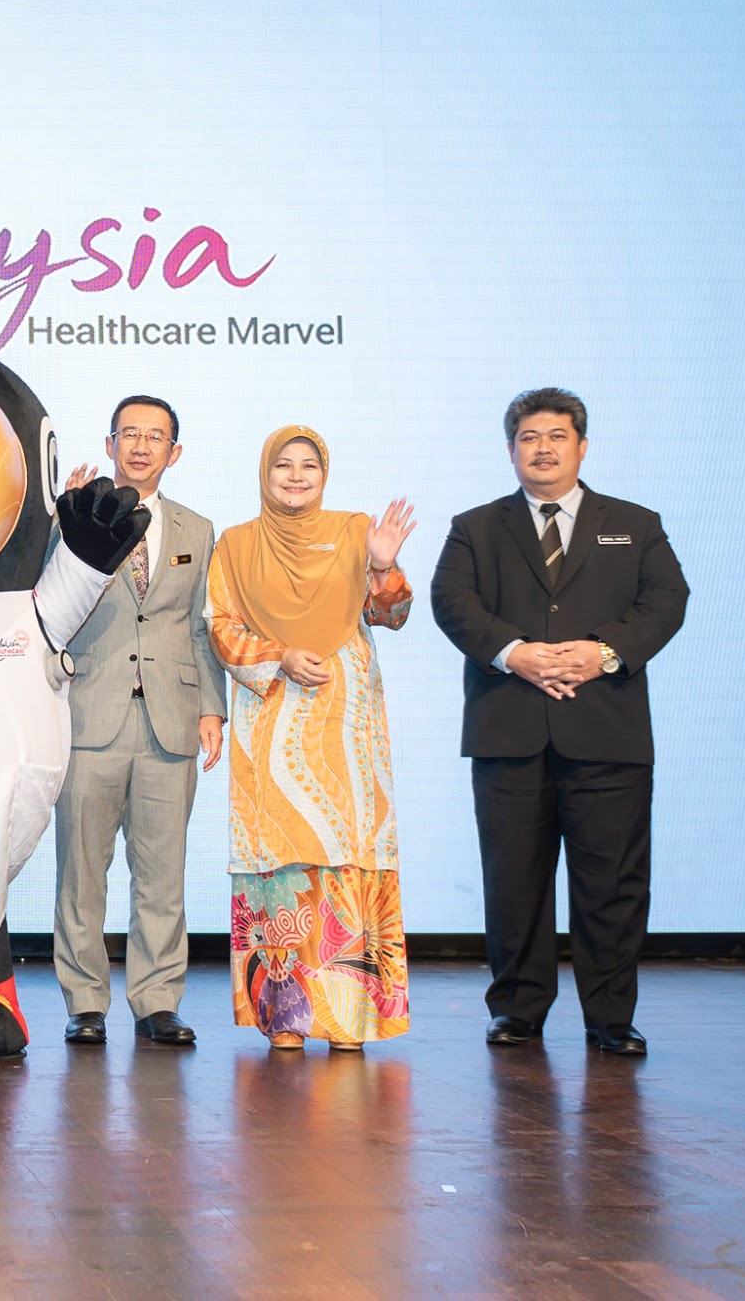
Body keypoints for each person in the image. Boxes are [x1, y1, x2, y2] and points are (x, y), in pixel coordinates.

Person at [428, 388, 689, 1057]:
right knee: (514, 882)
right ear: (511, 449)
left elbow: (667, 600)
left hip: (607, 733)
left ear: (582, 446)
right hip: (509, 732)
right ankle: (517, 1011)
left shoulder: (634, 523)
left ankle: (612, 1018)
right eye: (528, 437)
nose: (542, 448)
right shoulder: (475, 527)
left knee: (613, 884)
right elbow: (452, 602)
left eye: (556, 436)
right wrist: (514, 653)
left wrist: (603, 652)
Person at [207, 425, 415, 1052]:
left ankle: (349, 1017)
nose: (295, 476)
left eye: (309, 466)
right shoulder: (236, 544)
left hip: (346, 720)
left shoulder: (355, 531)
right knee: (282, 858)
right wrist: (280, 656)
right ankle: (286, 1017)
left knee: (348, 854)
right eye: (283, 465)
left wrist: (383, 566)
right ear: (264, 473)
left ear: (325, 476)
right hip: (273, 715)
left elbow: (391, 615)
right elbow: (220, 625)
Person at [53, 397, 226, 1049]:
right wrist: (59, 526)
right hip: (88, 716)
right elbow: (45, 603)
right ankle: (85, 1003)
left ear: (174, 453)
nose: (142, 446)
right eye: (130, 433)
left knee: (162, 873)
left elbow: (201, 627)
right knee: (81, 873)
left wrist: (211, 707)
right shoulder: (71, 518)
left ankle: (157, 1001)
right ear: (110, 443)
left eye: (156, 437)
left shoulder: (196, 529)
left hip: (169, 721)